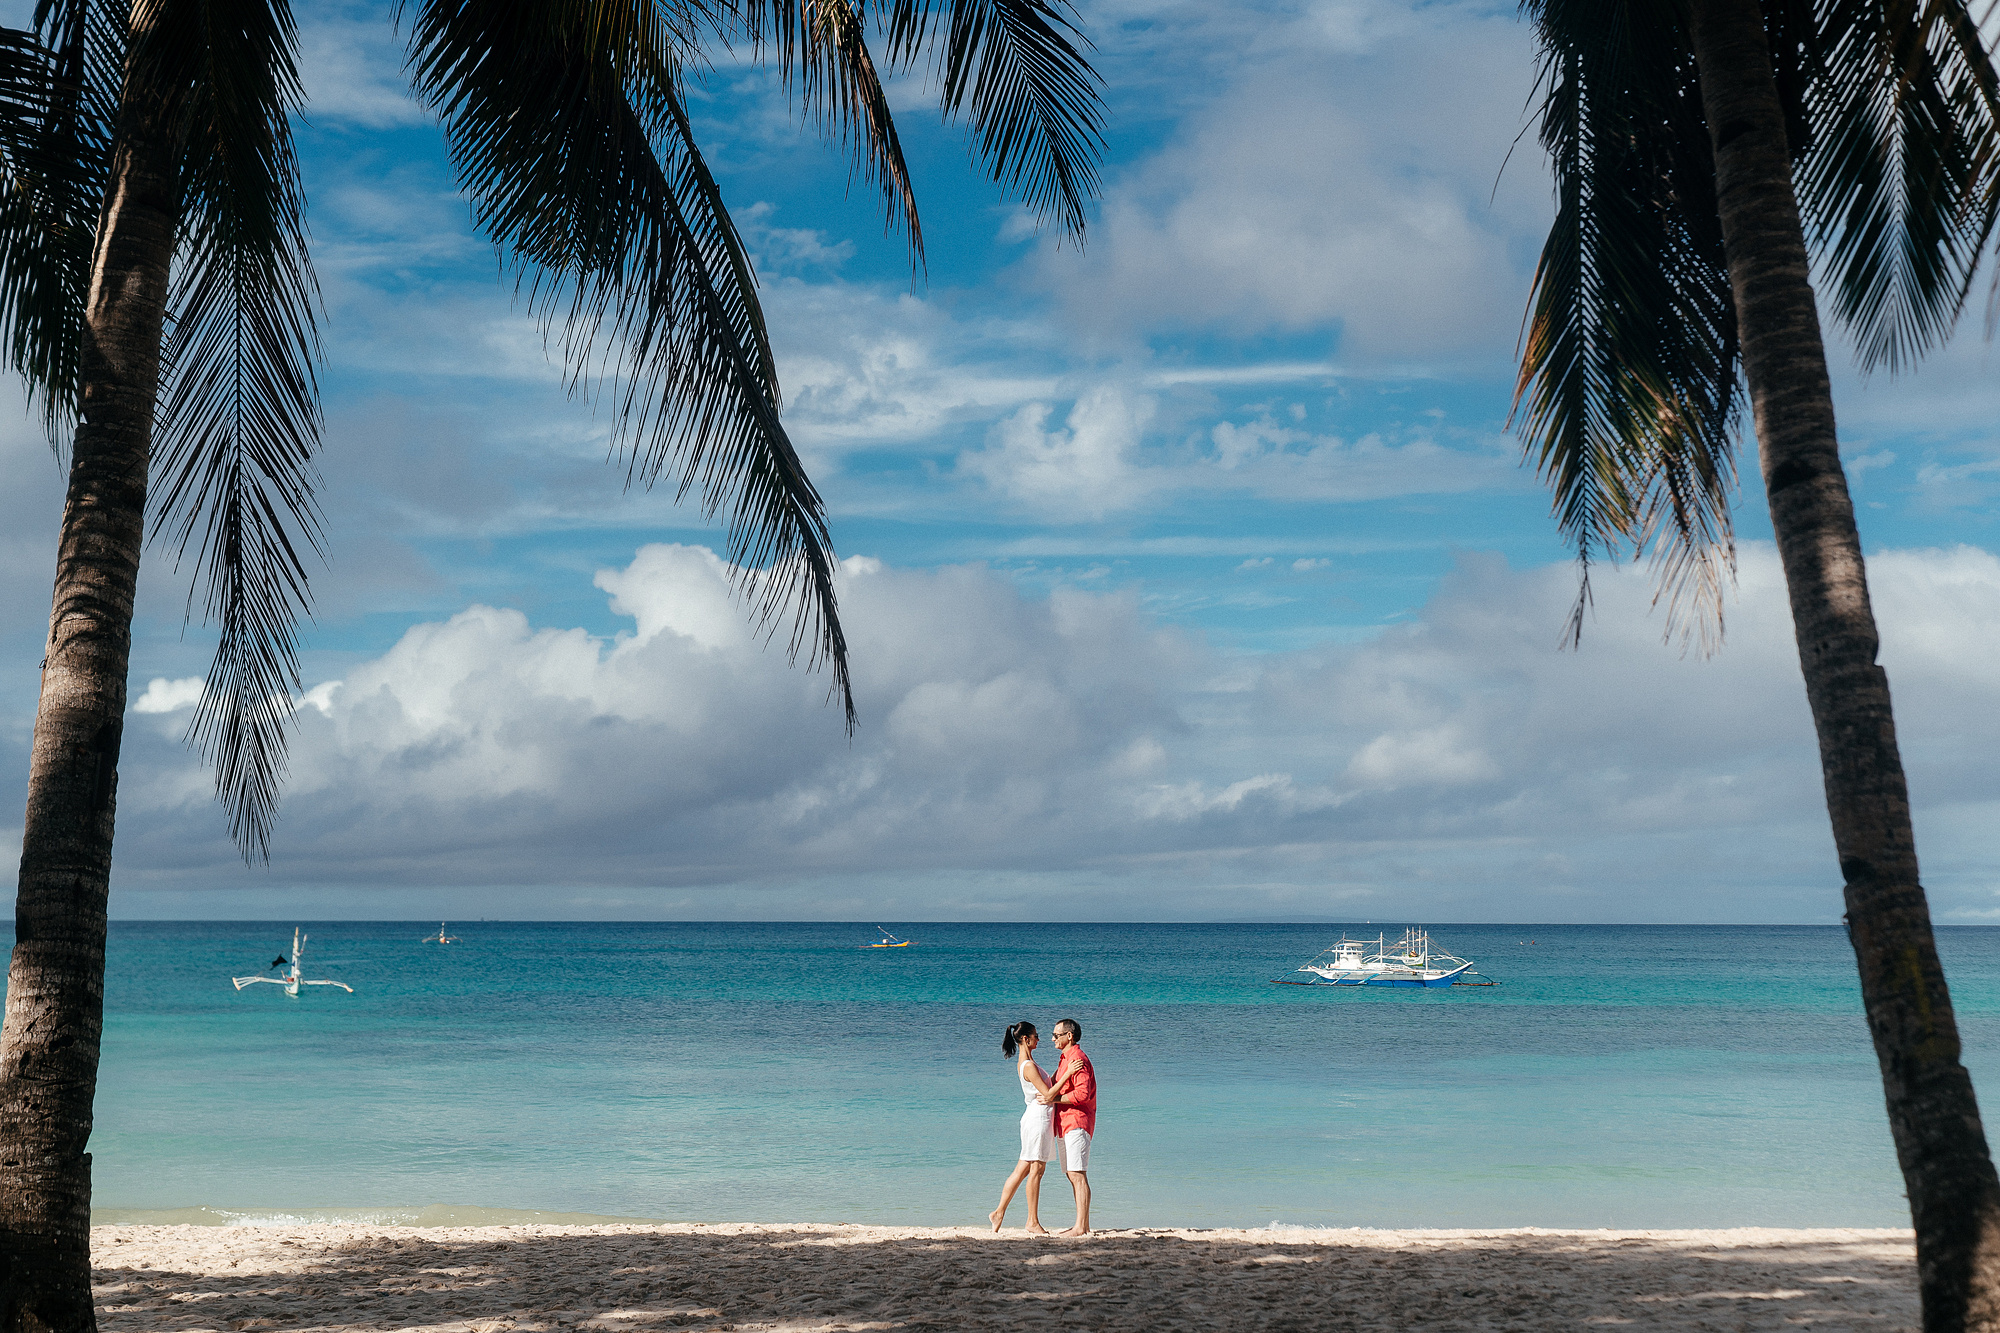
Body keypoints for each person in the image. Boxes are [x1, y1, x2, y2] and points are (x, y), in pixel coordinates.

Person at [990, 1021, 1056, 1234]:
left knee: (1023, 1169)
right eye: (1036, 1036)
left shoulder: (1027, 1062)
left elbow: (1046, 1088)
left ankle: (999, 1212)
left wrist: (1059, 1073)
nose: (1039, 1039)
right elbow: (1048, 1094)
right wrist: (1067, 1074)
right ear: (1026, 1039)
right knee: (1036, 1170)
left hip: (1035, 1118)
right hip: (1038, 1119)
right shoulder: (1027, 1065)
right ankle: (1032, 1222)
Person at [1037, 1017, 1095, 1236]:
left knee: (1077, 1174)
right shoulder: (1065, 1060)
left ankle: (1081, 1227)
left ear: (1069, 1036)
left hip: (1077, 1121)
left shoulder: (1078, 1059)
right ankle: (1081, 1224)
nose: (1052, 1039)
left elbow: (1082, 1094)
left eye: (1056, 1035)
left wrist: (1054, 1099)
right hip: (1065, 1123)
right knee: (1072, 1174)